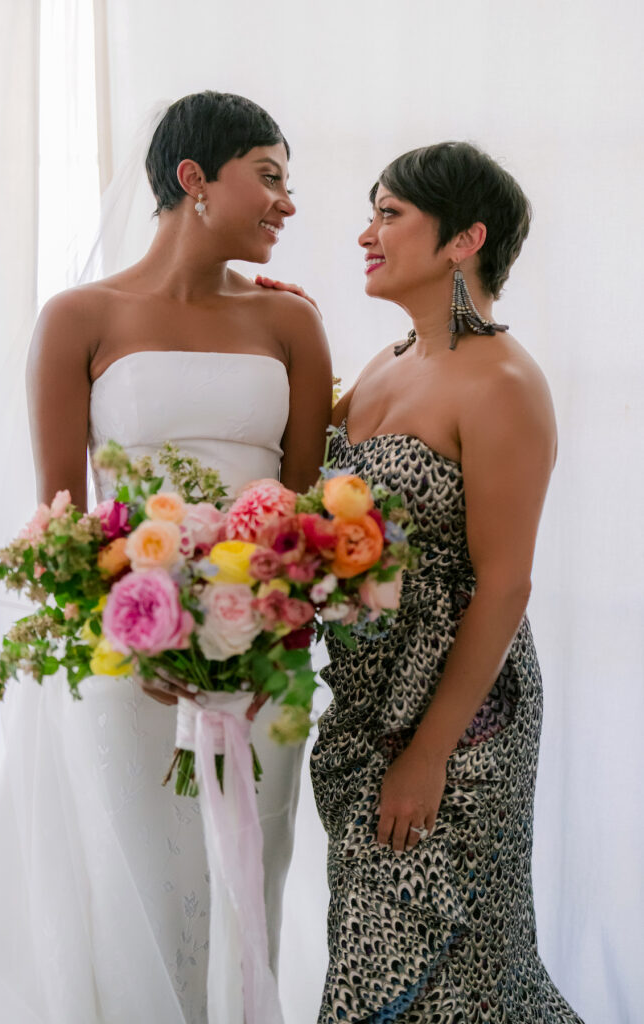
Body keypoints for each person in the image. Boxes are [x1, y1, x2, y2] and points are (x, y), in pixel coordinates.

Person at [0, 91, 331, 1024]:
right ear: (194, 178)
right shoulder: (79, 316)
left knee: (240, 885)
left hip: (259, 667)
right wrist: (144, 640)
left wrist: (264, 640)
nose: (288, 202)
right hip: (125, 657)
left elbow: (308, 519)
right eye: (271, 176)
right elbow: (62, 521)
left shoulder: (292, 326)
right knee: (130, 898)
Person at [309, 142, 584, 1022]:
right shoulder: (385, 363)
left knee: (453, 971)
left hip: (464, 723)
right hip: (365, 708)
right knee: (381, 955)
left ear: (465, 239)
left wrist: (427, 752)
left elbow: (505, 586)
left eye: (389, 215)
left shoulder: (503, 383)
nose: (365, 233)